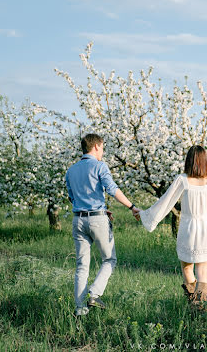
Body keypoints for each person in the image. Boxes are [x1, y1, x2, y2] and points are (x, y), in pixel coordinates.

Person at [136, 145, 207, 309]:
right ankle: (200, 307)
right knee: (203, 272)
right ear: (205, 161)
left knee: (187, 268)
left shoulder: (182, 180)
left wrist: (146, 215)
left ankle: (193, 302)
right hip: (206, 229)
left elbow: (165, 202)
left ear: (188, 161)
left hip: (187, 229)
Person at [65, 133, 140, 316]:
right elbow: (112, 189)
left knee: (82, 265)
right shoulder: (100, 166)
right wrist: (132, 206)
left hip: (78, 220)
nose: (103, 151)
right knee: (109, 259)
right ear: (97, 146)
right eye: (103, 147)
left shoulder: (71, 170)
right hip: (97, 220)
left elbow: (72, 197)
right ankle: (94, 293)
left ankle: (80, 310)